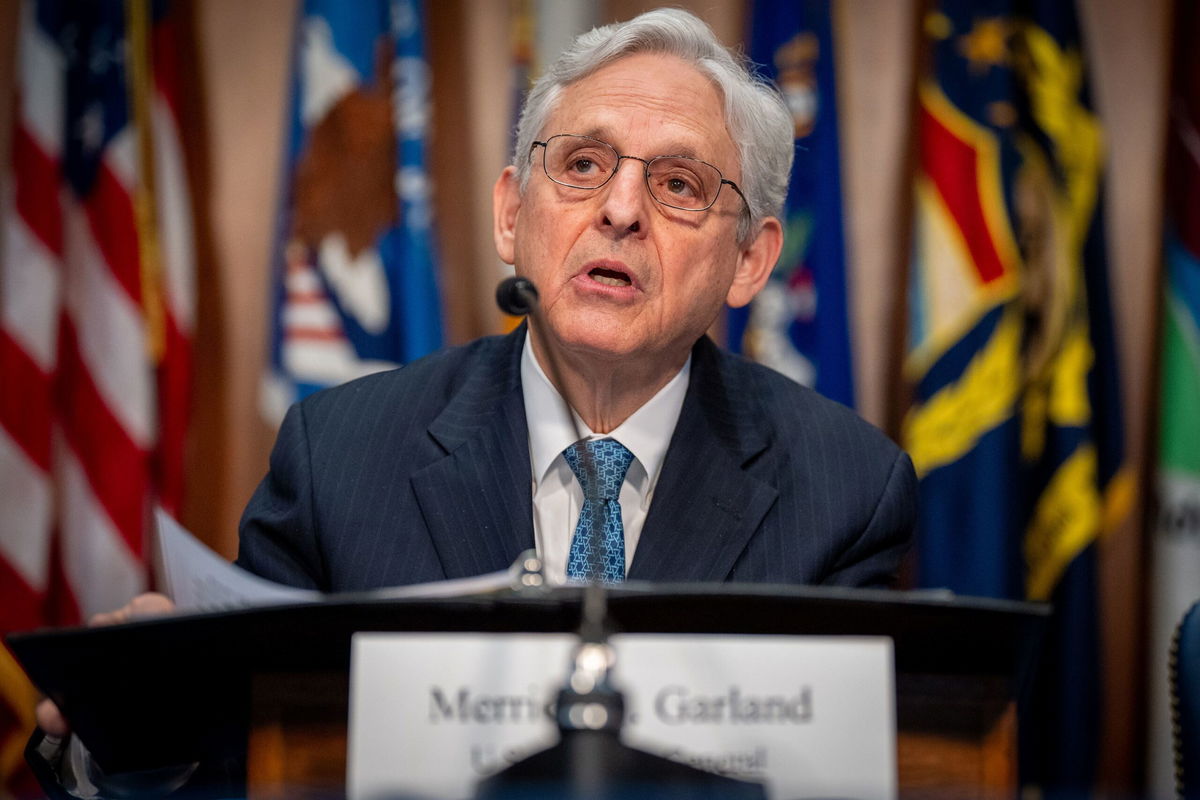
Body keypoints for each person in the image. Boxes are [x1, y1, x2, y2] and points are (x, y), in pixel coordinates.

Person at [30, 7, 916, 796]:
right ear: (510, 214)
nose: (619, 209)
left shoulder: (845, 490)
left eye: (679, 185)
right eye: (582, 164)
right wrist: (134, 729)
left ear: (752, 262)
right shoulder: (339, 455)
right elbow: (244, 763)